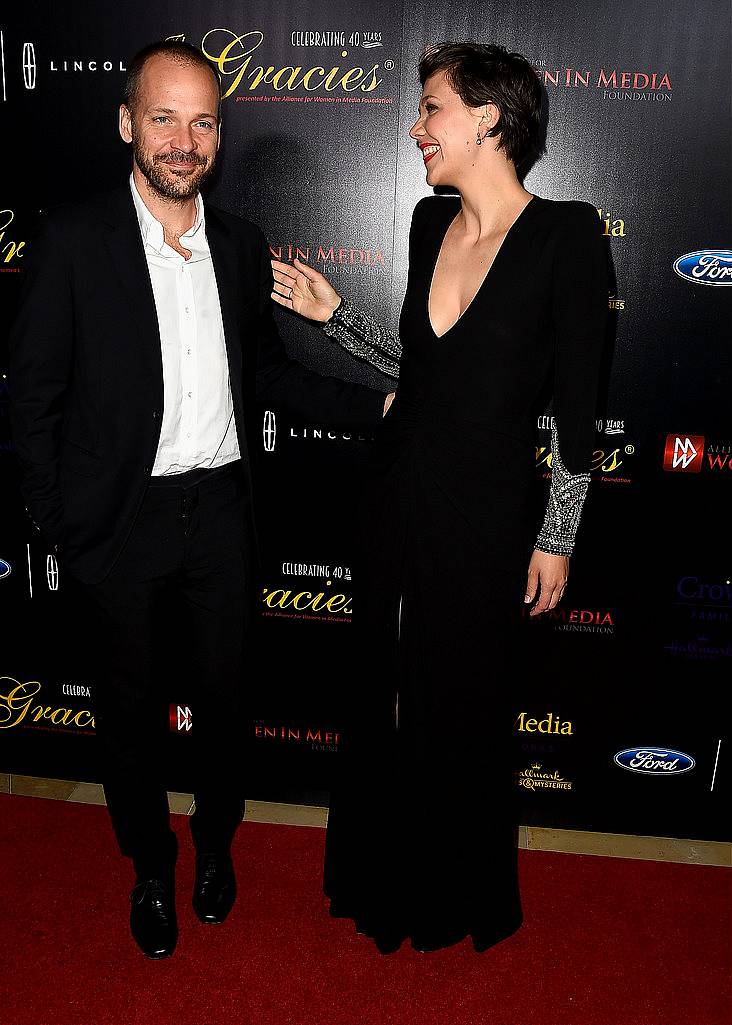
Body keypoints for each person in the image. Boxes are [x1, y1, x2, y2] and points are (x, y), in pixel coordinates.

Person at [9, 40, 388, 960]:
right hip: (120, 521)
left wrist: (379, 404)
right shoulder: (73, 240)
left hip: (221, 512)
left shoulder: (241, 244)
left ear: (220, 134)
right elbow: (32, 396)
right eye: (166, 118)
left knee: (225, 705)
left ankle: (215, 847)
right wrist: (60, 522)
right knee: (130, 716)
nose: (185, 140)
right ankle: (150, 863)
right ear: (128, 124)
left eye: (204, 121)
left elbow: (266, 374)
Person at [271, 41, 608, 953]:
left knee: (461, 700)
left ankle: (452, 893)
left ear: (489, 118)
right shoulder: (428, 223)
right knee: (383, 687)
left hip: (489, 508)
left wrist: (559, 534)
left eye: (432, 109)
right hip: (398, 488)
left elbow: (579, 411)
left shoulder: (567, 235)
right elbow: (427, 373)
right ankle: (383, 879)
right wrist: (335, 318)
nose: (417, 127)